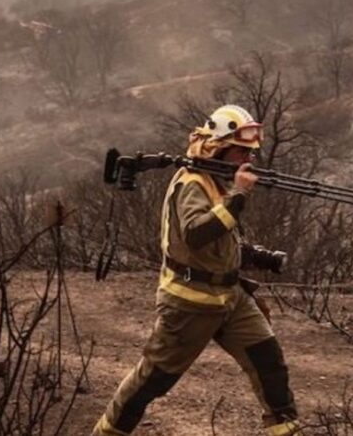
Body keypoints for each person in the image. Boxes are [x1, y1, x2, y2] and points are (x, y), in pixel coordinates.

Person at [92, 104, 301, 436]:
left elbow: (221, 241)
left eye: (250, 154)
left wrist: (259, 257)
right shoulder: (194, 182)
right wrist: (240, 197)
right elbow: (197, 234)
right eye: (239, 153)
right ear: (219, 146)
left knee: (269, 364)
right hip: (191, 302)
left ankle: (287, 430)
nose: (246, 161)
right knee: (153, 380)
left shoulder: (218, 180)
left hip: (230, 297)